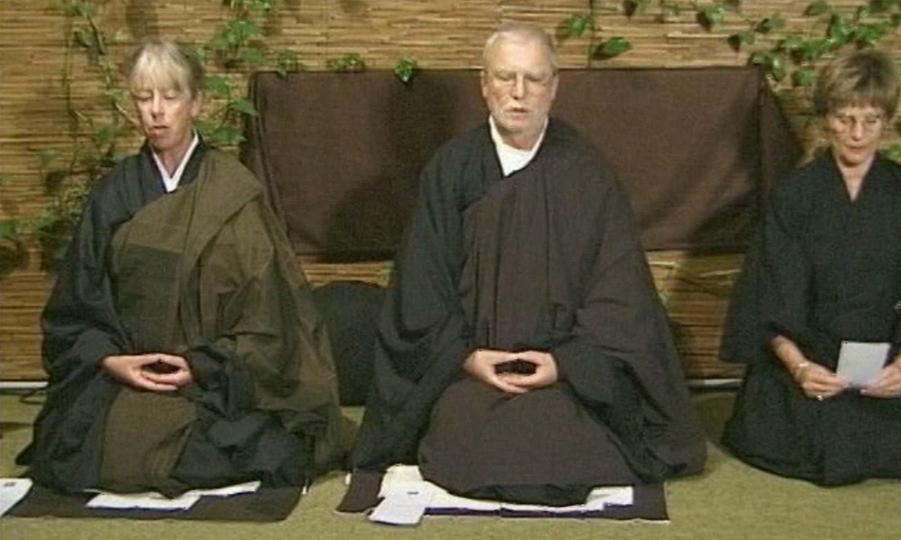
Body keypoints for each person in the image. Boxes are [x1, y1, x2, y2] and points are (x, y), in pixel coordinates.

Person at [340, 23, 705, 510]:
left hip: (565, 376)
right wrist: (466, 357)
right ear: (484, 84)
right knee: (462, 438)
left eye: (534, 79)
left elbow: (620, 295)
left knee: (556, 435)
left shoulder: (586, 174)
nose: (519, 93)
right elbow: (421, 290)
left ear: (553, 87)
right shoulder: (452, 170)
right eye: (506, 77)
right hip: (470, 374)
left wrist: (563, 364)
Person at [17, 39, 341, 495]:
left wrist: (203, 366)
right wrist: (114, 361)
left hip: (211, 380)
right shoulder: (113, 194)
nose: (156, 112)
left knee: (274, 450)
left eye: (170, 97)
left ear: (197, 102)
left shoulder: (234, 192)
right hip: (125, 377)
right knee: (74, 448)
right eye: (144, 98)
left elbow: (272, 318)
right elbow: (77, 305)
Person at [721, 49, 901, 486]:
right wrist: (800, 368)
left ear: (886, 120)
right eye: (845, 118)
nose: (857, 134)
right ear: (826, 116)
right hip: (811, 354)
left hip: (887, 358)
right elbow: (770, 292)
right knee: (781, 432)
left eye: (870, 120)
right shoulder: (795, 196)